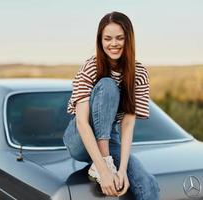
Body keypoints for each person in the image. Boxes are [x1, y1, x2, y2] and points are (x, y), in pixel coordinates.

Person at [63, 11, 160, 199]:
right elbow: (82, 122)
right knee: (108, 85)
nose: (113, 44)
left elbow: (127, 124)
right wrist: (104, 170)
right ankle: (104, 161)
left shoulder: (138, 73)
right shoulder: (91, 65)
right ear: (100, 40)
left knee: (148, 184)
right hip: (79, 136)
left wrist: (122, 170)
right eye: (107, 38)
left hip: (112, 137)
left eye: (119, 38)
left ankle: (108, 162)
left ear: (128, 39)